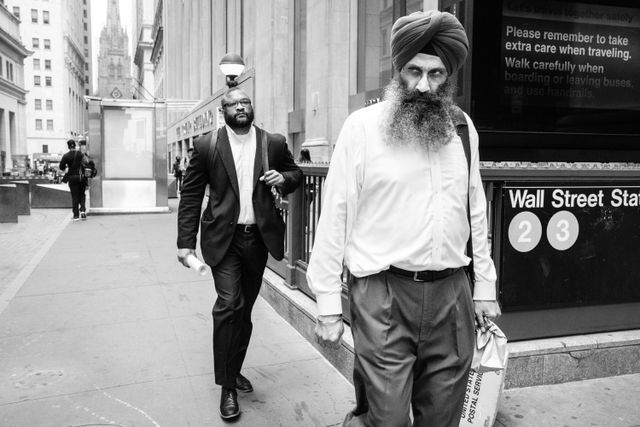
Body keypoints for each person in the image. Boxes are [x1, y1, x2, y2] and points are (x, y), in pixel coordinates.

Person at [307, 10, 501, 427]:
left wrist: (484, 286)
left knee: (443, 417)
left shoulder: (463, 130)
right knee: (388, 418)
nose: (424, 85)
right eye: (414, 71)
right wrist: (326, 304)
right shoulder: (362, 127)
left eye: (436, 74)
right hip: (384, 294)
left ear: (447, 77)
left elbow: (475, 209)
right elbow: (335, 214)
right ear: (398, 71)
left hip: (452, 294)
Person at [176, 87, 302, 421]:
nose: (240, 107)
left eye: (245, 102)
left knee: (244, 309)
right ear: (224, 112)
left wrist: (284, 178)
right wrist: (185, 242)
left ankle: (234, 368)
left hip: (257, 239)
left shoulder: (272, 143)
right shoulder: (207, 146)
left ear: (252, 106)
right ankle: (227, 385)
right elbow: (190, 195)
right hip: (223, 239)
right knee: (228, 305)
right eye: (233, 104)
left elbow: (296, 174)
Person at [59, 139, 87, 221]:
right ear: (74, 145)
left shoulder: (66, 156)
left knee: (75, 196)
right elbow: (86, 161)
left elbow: (61, 167)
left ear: (68, 147)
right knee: (82, 194)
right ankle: (83, 211)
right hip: (81, 177)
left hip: (72, 178)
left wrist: (67, 167)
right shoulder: (80, 154)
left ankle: (76, 215)